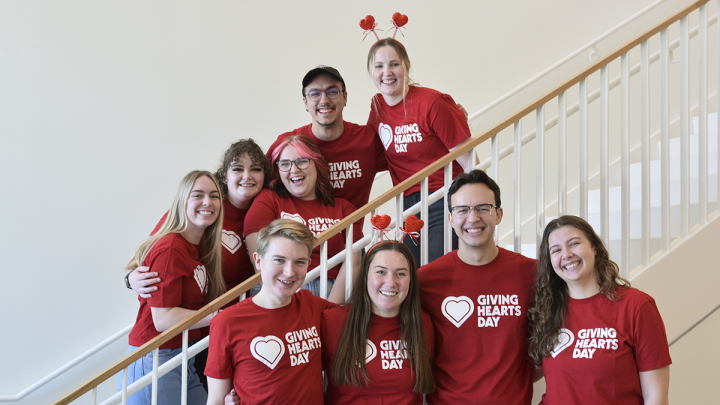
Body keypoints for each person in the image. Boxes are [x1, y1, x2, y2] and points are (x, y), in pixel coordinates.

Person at [417, 169, 537, 404]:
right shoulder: (425, 280)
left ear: (498, 214)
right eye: (462, 210)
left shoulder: (532, 273)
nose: (472, 218)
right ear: (450, 218)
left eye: (483, 208)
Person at [528, 215, 671, 405]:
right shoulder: (547, 311)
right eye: (556, 250)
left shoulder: (636, 305)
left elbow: (656, 397)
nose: (567, 254)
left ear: (594, 247)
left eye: (574, 243)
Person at [119, 170, 226, 405]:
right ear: (182, 202)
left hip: (181, 356)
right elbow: (164, 319)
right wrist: (221, 316)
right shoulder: (170, 247)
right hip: (155, 356)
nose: (207, 202)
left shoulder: (199, 245)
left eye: (214, 196)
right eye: (198, 195)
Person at [366, 38, 473, 264]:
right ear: (371, 72)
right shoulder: (377, 108)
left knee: (437, 269)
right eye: (379, 66)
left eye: (394, 64)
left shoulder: (431, 102)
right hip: (408, 204)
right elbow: (372, 156)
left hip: (443, 196)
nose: (387, 72)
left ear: (406, 66)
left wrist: (468, 206)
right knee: (411, 274)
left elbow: (470, 162)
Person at [205, 219, 335, 405]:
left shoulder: (314, 306)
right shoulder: (226, 322)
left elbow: (361, 314)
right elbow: (217, 399)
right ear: (258, 261)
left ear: (308, 263)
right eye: (279, 260)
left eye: (299, 262)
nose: (289, 272)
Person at [126, 138, 271, 300]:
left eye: (256, 169)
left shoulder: (268, 212)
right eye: (237, 169)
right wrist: (131, 277)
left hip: (231, 316)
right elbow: (146, 250)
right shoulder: (202, 208)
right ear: (224, 176)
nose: (247, 176)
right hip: (189, 315)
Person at [244, 134, 363, 304]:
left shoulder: (345, 209)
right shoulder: (268, 200)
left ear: (317, 164)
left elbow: (353, 265)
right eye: (285, 164)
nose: (294, 170)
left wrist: (331, 310)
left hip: (333, 292)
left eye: (302, 161)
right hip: (280, 292)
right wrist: (286, 304)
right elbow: (262, 262)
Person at [321, 241, 435, 404]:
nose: (390, 283)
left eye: (400, 274)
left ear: (411, 279)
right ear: (366, 275)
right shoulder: (333, 321)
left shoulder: (424, 324)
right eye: (381, 272)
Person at [268, 65, 388, 213]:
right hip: (300, 234)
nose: (324, 100)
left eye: (332, 92)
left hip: (350, 235)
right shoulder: (287, 146)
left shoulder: (368, 141)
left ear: (345, 97)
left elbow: (408, 161)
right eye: (315, 94)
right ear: (305, 102)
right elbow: (258, 185)